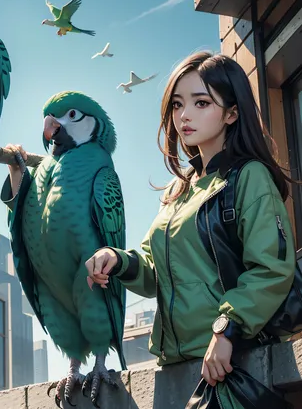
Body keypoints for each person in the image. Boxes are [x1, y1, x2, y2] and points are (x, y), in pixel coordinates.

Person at [85, 51, 297, 407]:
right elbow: (157, 273)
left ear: (231, 112)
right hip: (175, 369)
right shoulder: (178, 191)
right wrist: (118, 260)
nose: (184, 115)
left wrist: (226, 329)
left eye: (201, 103)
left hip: (231, 367)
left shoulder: (248, 178)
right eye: (177, 104)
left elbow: (271, 269)